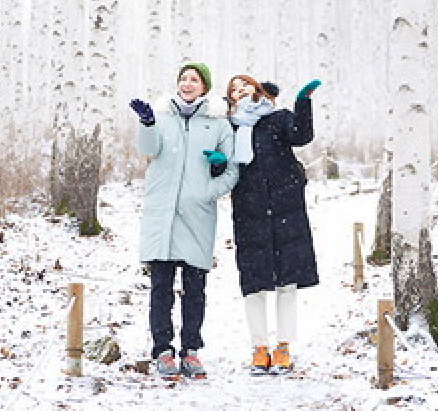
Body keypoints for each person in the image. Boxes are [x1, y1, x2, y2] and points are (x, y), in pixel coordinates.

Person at [129, 62, 238, 380]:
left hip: (197, 216)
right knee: (160, 288)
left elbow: (232, 169)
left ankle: (191, 351)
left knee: (195, 289)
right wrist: (147, 123)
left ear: (205, 86)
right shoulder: (161, 117)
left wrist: (207, 191)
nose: (187, 84)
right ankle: (162, 350)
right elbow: (146, 149)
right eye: (183, 79)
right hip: (162, 215)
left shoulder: (218, 124)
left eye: (194, 79)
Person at [225, 75, 321, 375]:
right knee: (253, 283)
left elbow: (301, 136)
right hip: (249, 209)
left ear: (257, 90)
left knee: (286, 282)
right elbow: (225, 164)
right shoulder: (229, 126)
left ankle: (283, 347)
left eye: (245, 86)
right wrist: (217, 162)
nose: (240, 92)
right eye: (234, 90)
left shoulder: (278, 118)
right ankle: (259, 347)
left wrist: (303, 103)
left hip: (286, 207)